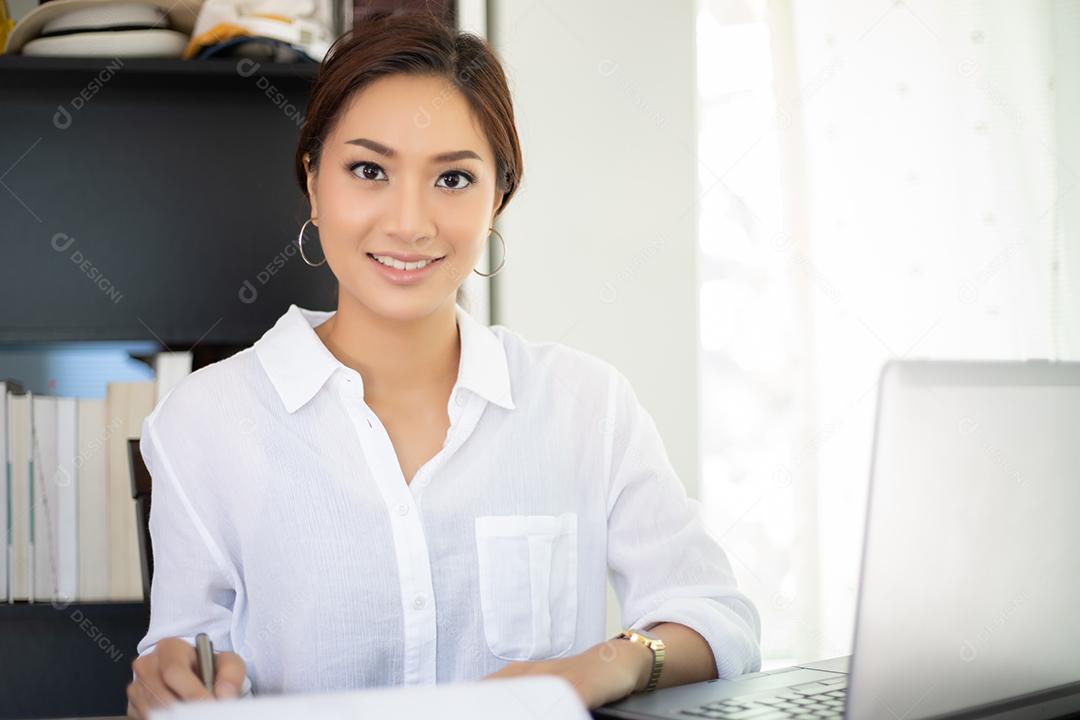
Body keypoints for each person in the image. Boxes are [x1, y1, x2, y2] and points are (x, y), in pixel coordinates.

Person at [125, 11, 761, 719]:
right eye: (369, 170)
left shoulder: (587, 403)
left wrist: (596, 667)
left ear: (499, 198)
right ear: (313, 181)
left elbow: (716, 618)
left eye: (453, 179)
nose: (410, 223)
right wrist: (174, 684)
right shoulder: (205, 423)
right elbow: (184, 664)